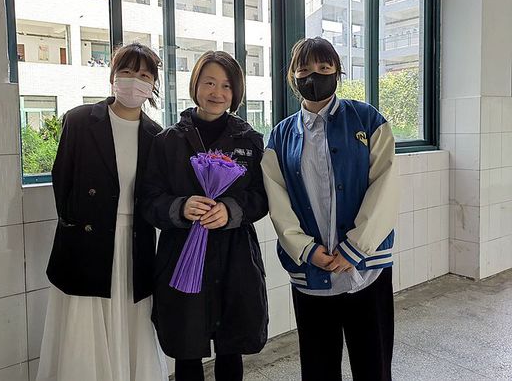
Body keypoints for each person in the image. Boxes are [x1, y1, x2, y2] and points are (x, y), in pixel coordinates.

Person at [261, 37, 399, 381]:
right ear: (293, 77)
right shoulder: (280, 136)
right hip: (311, 271)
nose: (314, 76)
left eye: (324, 67)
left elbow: (385, 186)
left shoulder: (368, 120)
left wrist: (355, 248)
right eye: (304, 69)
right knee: (318, 368)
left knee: (374, 366)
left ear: (337, 71)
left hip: (366, 268)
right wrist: (306, 250)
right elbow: (278, 202)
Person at [37, 43, 168, 381]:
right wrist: (75, 225)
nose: (134, 81)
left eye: (144, 75)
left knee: (130, 323)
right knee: (85, 325)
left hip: (135, 243)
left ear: (153, 84)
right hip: (87, 241)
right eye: (127, 72)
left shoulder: (156, 135)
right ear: (113, 77)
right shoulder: (81, 120)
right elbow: (62, 179)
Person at [140, 51, 269, 381]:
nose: (217, 92)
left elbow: (262, 197)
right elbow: (149, 200)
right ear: (195, 84)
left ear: (236, 92)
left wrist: (231, 211)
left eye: (226, 86)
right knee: (187, 347)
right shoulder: (167, 141)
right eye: (209, 82)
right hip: (182, 255)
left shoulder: (250, 140)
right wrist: (180, 207)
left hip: (234, 255)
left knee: (231, 346)